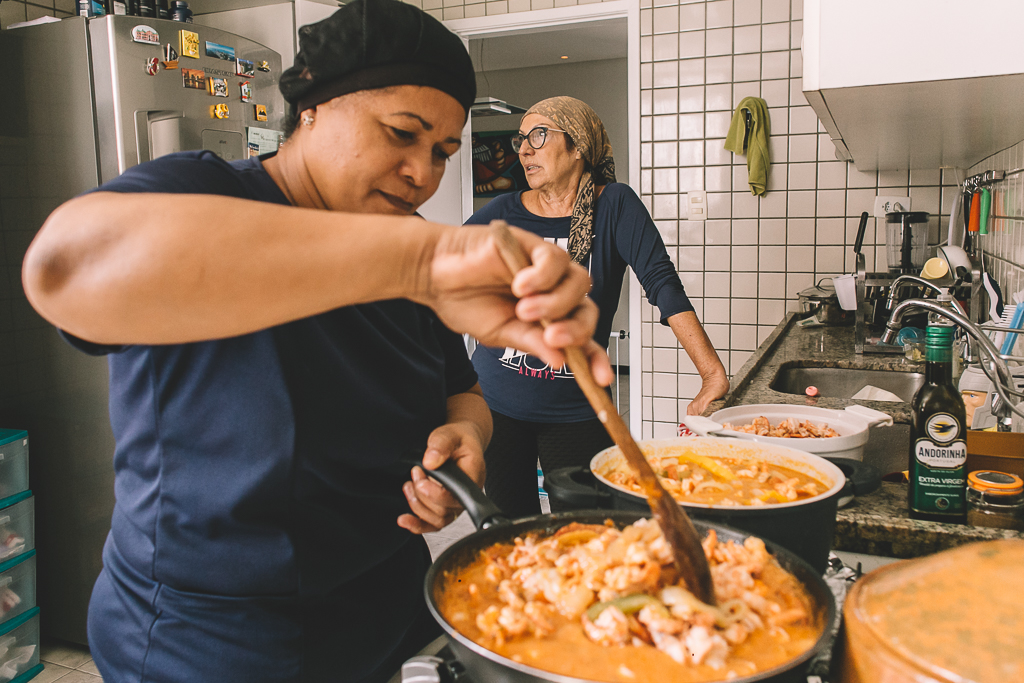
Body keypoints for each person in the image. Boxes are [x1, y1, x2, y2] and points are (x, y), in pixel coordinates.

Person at [20, 3, 610, 682]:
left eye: (443, 150)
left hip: (388, 616)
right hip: (207, 639)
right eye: (402, 133)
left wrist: (465, 434)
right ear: (312, 108)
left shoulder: (403, 238)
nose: (423, 171)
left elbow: (463, 389)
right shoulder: (202, 193)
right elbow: (64, 269)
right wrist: (420, 262)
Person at [466, 97, 729, 519]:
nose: (524, 150)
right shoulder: (498, 215)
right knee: (510, 533)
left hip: (576, 409)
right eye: (521, 139)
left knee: (590, 528)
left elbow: (662, 283)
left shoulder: (615, 206)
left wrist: (712, 374)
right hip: (497, 406)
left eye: (539, 135)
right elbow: (443, 284)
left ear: (578, 147)